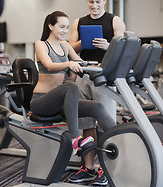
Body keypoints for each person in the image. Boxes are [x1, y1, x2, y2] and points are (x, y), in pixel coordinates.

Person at [30, 10, 116, 159]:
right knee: (71, 86)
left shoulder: (65, 46)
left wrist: (104, 66)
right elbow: (49, 65)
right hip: (41, 101)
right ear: (51, 26)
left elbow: (82, 64)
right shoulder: (41, 45)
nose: (65, 31)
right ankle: (75, 140)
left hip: (61, 103)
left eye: (67, 27)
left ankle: (121, 139)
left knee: (97, 107)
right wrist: (68, 63)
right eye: (62, 27)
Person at [69, 0, 126, 185]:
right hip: (84, 75)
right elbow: (70, 46)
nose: (94, 6)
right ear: (87, 0)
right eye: (91, 2)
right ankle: (88, 167)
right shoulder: (79, 21)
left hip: (104, 76)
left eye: (98, 2)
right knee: (86, 124)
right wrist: (83, 43)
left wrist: (108, 45)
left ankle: (106, 169)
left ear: (104, 0)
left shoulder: (115, 20)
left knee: (105, 123)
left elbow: (123, 47)